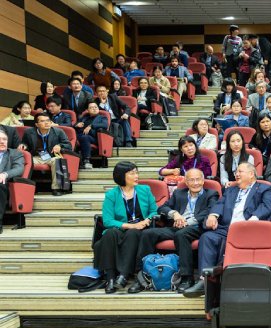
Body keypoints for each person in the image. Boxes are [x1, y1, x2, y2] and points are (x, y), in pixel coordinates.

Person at [185, 162, 271, 297]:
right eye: (236, 172)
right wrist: (213, 215)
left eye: (240, 171)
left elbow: (268, 206)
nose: (236, 174)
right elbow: (220, 204)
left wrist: (252, 221)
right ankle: (205, 280)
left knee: (226, 245)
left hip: (250, 230)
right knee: (207, 237)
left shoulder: (264, 189)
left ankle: (221, 283)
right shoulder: (231, 190)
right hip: (227, 228)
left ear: (251, 174)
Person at [133, 168, 219, 293]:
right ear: (186, 181)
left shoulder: (211, 194)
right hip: (177, 226)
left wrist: (187, 222)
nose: (195, 183)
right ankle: (141, 276)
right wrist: (175, 214)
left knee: (181, 234)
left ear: (203, 181)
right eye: (191, 180)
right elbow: (163, 207)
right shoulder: (179, 193)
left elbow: (210, 211)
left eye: (198, 179)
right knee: (148, 233)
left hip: (198, 228)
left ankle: (187, 277)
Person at [94, 161, 158, 294]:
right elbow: (107, 220)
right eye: (132, 173)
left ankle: (123, 275)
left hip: (140, 230)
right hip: (119, 229)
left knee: (133, 233)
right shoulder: (111, 195)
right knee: (109, 234)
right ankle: (110, 278)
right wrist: (130, 225)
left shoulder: (144, 190)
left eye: (136, 172)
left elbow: (154, 211)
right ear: (121, 176)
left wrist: (146, 221)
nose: (136, 176)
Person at [20, 113, 72, 196]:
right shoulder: (29, 132)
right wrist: (23, 145)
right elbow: (25, 143)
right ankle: (23, 187)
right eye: (43, 121)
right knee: (22, 161)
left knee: (57, 161)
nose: (47, 123)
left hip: (51, 157)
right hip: (36, 157)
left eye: (48, 120)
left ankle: (56, 188)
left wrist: (60, 146)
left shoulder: (58, 132)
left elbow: (68, 145)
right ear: (37, 124)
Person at [0, 129, 25, 234]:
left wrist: (4, 174)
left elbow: (19, 169)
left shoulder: (15, 154)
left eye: (4, 139)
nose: (2, 142)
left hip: (5, 185)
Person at [74, 102, 107, 169]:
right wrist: (76, 125)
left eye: (95, 107)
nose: (94, 109)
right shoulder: (84, 117)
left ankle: (87, 160)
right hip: (79, 135)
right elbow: (75, 125)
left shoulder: (102, 117)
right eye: (91, 107)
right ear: (87, 110)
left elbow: (104, 125)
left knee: (84, 137)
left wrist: (91, 126)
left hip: (93, 137)